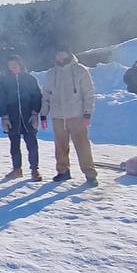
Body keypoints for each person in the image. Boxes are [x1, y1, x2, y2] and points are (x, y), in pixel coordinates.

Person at [40, 45, 97, 185]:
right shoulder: (51, 73)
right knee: (60, 146)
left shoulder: (80, 71)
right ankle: (63, 171)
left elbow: (89, 94)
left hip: (76, 115)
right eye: (57, 54)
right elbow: (46, 94)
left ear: (68, 54)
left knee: (82, 145)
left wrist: (87, 114)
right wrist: (43, 114)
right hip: (58, 116)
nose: (60, 57)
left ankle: (90, 174)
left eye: (62, 54)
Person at [0, 54, 43, 181]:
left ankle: (35, 170)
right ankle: (17, 169)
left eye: (15, 64)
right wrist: (4, 116)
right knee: (14, 145)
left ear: (20, 64)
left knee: (32, 144)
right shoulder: (4, 81)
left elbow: (37, 96)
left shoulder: (30, 79)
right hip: (12, 117)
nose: (13, 67)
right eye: (10, 65)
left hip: (28, 116)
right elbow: (1, 99)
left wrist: (35, 113)